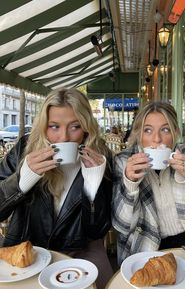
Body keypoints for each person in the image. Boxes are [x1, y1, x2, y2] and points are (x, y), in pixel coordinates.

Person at [0, 88, 113, 289]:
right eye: (54, 127)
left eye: (75, 126)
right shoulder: (24, 149)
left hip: (80, 251)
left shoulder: (99, 156)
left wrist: (93, 185)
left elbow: (97, 230)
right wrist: (23, 180)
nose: (64, 137)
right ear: (43, 127)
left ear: (86, 127)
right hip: (26, 251)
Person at [112, 101, 185, 265]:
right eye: (148, 130)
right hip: (145, 247)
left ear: (176, 133)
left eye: (165, 130)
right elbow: (122, 227)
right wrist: (130, 184)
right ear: (138, 134)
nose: (157, 139)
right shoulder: (124, 161)